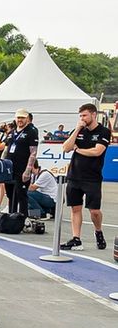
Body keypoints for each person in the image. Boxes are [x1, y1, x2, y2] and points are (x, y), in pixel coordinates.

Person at [59, 103, 111, 251]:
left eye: (84, 115)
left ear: (93, 115)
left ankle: (98, 231)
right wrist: (77, 129)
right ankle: (76, 239)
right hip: (74, 175)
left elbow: (97, 151)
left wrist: (79, 149)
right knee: (75, 208)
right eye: (80, 116)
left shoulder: (103, 131)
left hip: (92, 177)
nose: (82, 118)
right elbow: (66, 148)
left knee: (94, 210)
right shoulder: (79, 131)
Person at [4, 108, 39, 217]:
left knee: (21, 194)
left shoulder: (31, 132)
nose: (20, 120)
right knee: (10, 194)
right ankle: (11, 217)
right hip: (10, 168)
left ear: (27, 119)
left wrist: (28, 170)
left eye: (22, 118)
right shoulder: (12, 132)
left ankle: (23, 219)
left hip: (22, 168)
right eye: (18, 117)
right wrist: (2, 164)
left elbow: (33, 153)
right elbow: (6, 149)